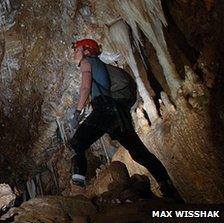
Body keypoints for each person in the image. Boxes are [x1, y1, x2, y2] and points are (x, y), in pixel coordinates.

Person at [68, 38, 182, 201]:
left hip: (105, 109)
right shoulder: (98, 64)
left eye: (77, 49)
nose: (74, 53)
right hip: (118, 113)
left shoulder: (87, 62)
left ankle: (78, 190)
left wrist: (77, 112)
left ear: (86, 51)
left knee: (77, 143)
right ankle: (168, 188)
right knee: (139, 153)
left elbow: (85, 87)